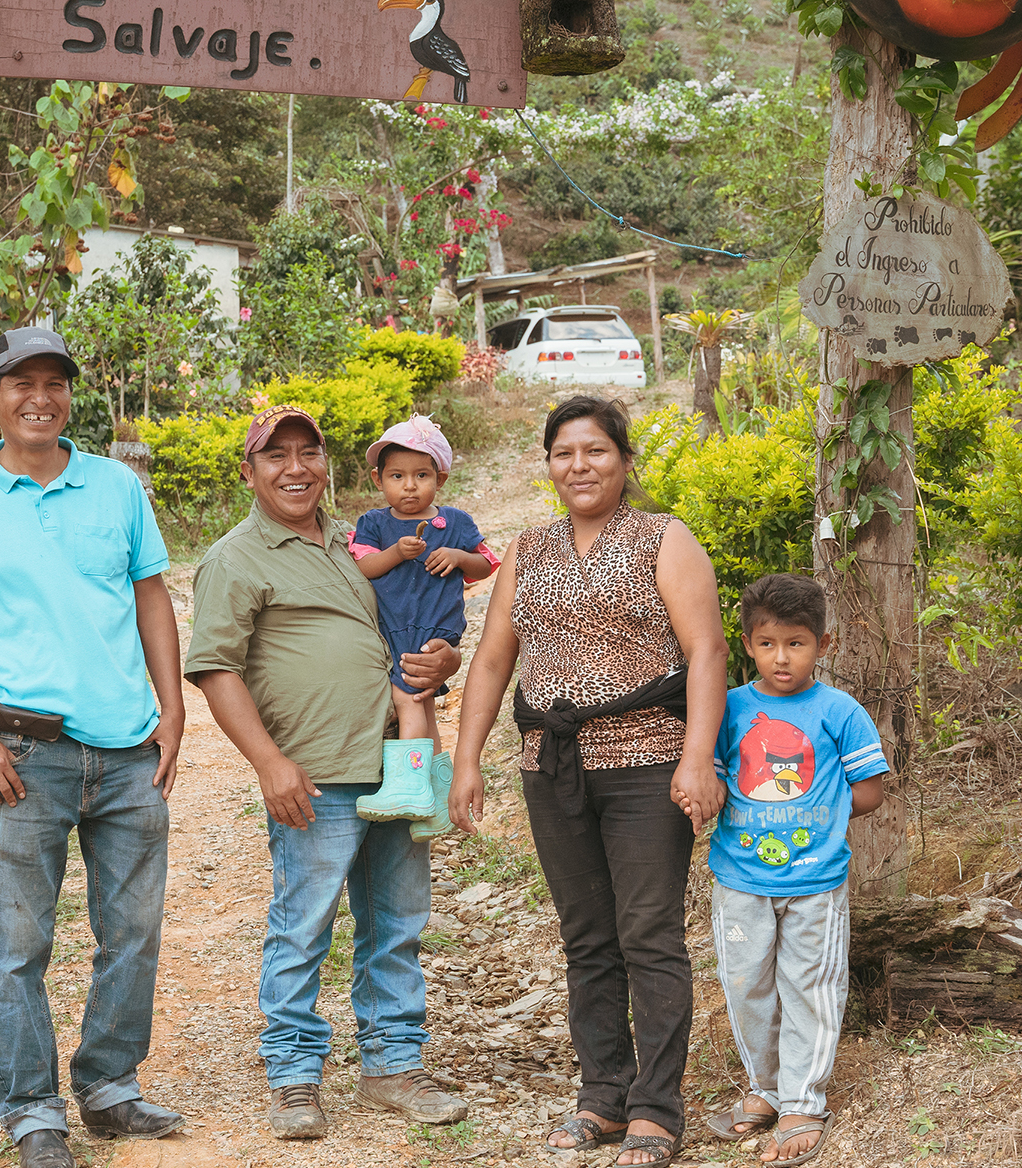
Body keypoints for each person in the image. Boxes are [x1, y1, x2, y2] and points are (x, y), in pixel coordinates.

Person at [0, 326, 188, 1168]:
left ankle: (107, 1086)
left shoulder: (116, 487)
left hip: (129, 751)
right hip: (22, 759)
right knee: (20, 945)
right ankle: (32, 1110)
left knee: (132, 933)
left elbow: (152, 599)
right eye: (19, 382)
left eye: (54, 382)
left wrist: (173, 711)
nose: (39, 397)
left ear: (70, 395)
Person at [449, 394, 729, 1168]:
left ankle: (655, 1111)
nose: (580, 465)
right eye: (565, 453)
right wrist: (466, 756)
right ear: (548, 464)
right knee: (588, 939)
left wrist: (696, 756)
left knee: (650, 935)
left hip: (646, 761)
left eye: (596, 451)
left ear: (624, 461)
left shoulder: (663, 539)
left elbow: (706, 652)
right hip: (554, 767)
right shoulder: (529, 550)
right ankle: (602, 1096)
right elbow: (495, 660)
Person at [187, 404, 473, 1141]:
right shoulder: (235, 557)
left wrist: (446, 661)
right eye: (274, 456)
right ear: (248, 472)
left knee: (397, 920)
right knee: (304, 924)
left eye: (307, 452)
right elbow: (217, 670)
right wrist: (269, 762)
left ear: (327, 464)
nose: (294, 468)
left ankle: (393, 1064)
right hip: (313, 770)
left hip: (396, 758)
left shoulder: (356, 545)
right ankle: (292, 1075)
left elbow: (411, 626)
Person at [698, 574, 887, 1167]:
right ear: (749, 644)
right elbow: (712, 774)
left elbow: (871, 792)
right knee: (747, 985)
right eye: (769, 643)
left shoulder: (839, 711)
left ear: (823, 645)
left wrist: (815, 813)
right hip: (740, 879)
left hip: (814, 883)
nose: (782, 658)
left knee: (809, 987)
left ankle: (803, 1101)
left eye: (797, 643)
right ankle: (764, 1090)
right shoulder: (727, 709)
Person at [347, 414, 495, 827]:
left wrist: (458, 557)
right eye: (397, 476)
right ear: (379, 480)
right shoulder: (374, 525)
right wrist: (396, 552)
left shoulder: (455, 523)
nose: (409, 486)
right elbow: (365, 568)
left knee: (408, 699)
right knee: (425, 707)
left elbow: (485, 564)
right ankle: (434, 796)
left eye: (421, 475)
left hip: (431, 629)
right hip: (393, 628)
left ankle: (407, 787)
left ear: (440, 478)